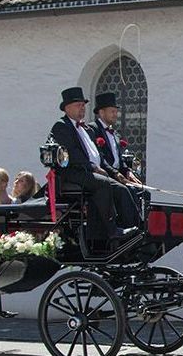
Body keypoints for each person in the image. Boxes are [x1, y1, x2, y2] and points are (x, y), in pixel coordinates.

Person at [49, 87, 138, 241]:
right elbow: (71, 153)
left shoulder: (87, 129)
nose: (82, 108)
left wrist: (114, 172)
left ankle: (135, 226)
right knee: (103, 184)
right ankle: (111, 230)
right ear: (67, 108)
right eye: (78, 105)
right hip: (74, 173)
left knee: (122, 188)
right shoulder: (61, 126)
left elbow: (99, 156)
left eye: (83, 105)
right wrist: (93, 167)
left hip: (91, 171)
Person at [92, 91, 147, 225]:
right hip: (105, 174)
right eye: (112, 111)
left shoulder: (114, 133)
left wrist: (128, 171)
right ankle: (131, 226)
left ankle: (143, 224)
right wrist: (116, 174)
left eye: (116, 111)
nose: (115, 114)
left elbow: (119, 159)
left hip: (118, 174)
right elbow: (101, 158)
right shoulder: (93, 129)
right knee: (129, 191)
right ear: (101, 112)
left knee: (143, 191)